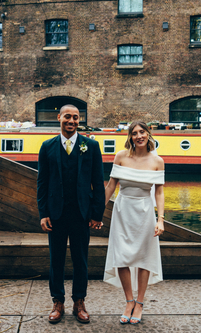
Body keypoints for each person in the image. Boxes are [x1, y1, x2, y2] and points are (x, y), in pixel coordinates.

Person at [37, 104, 106, 324]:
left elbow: (98, 183)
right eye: (68, 116)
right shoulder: (47, 146)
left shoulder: (91, 146)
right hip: (56, 214)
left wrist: (96, 214)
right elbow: (42, 183)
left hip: (81, 214)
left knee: (81, 260)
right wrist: (43, 213)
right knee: (55, 260)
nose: (72, 121)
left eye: (76, 118)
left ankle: (79, 302)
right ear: (59, 117)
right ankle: (58, 302)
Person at [103, 121, 165, 325]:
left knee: (144, 257)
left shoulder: (157, 161)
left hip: (145, 211)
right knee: (122, 256)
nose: (139, 136)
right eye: (134, 133)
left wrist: (160, 219)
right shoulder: (121, 156)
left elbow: (159, 191)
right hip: (122, 210)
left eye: (142, 132)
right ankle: (128, 301)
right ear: (129, 137)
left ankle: (140, 303)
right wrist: (97, 212)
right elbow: (111, 186)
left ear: (148, 134)